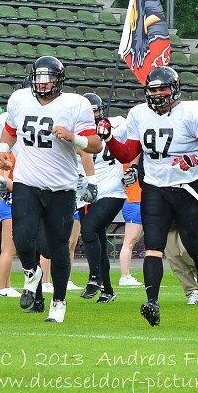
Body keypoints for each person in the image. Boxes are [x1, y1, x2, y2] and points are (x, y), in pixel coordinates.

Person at [99, 66, 198, 326]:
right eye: (153, 90)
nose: (157, 94)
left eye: (162, 89)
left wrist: (195, 157)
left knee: (192, 244)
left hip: (186, 186)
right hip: (154, 186)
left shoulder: (192, 112)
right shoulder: (138, 114)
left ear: (174, 90)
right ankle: (152, 302)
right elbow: (126, 154)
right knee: (153, 246)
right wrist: (109, 138)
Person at [0, 56, 102, 323]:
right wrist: (3, 151)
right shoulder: (19, 99)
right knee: (22, 238)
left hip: (61, 187)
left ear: (59, 80)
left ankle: (59, 301)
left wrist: (73, 137)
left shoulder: (76, 104)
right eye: (38, 77)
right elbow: (10, 131)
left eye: (48, 78)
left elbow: (96, 144)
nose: (42, 83)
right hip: (26, 181)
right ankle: (32, 273)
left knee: (57, 246)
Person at [78, 93, 128, 303]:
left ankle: (94, 277)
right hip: (86, 193)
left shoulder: (118, 125)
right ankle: (107, 290)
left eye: (94, 111)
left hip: (113, 190)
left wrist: (133, 167)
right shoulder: (75, 130)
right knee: (96, 237)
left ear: (101, 110)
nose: (91, 115)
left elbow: (136, 142)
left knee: (88, 229)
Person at [0, 111, 20, 298]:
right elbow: (7, 182)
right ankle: (1, 288)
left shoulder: (10, 158)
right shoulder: (10, 158)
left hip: (8, 202)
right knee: (9, 249)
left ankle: (6, 286)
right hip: (10, 203)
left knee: (7, 248)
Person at [118, 160, 143, 286]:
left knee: (131, 242)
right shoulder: (128, 163)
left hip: (136, 202)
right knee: (129, 242)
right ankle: (124, 275)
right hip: (134, 203)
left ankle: (126, 275)